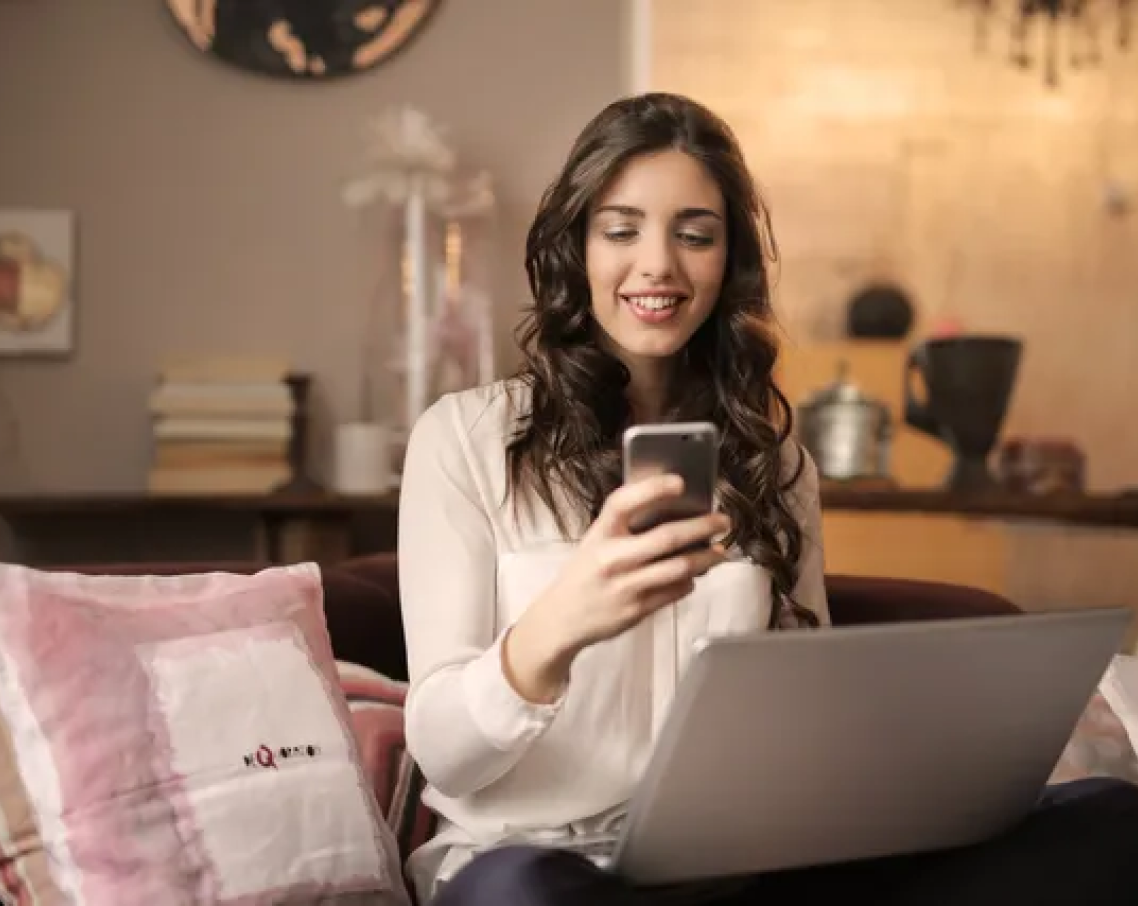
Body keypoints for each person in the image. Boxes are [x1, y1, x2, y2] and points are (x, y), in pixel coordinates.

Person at [397, 92, 1138, 905]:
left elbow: (801, 712)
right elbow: (446, 755)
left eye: (695, 235)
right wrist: (558, 625)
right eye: (621, 230)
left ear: (730, 259)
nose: (659, 265)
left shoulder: (771, 458)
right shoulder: (465, 440)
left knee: (1110, 817)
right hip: (535, 865)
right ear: (576, 247)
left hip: (732, 870)